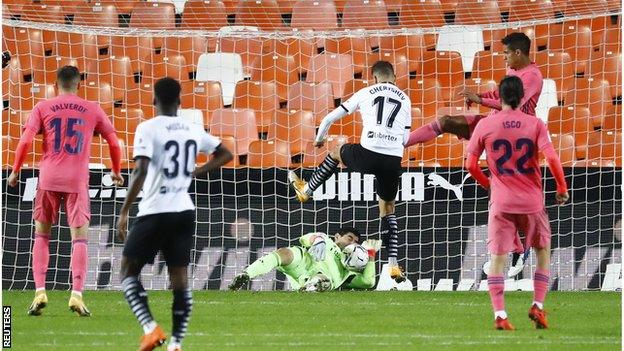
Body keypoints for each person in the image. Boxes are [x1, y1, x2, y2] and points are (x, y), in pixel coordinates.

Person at [407, 32, 543, 276]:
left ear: (518, 53)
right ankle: (402, 143)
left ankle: (517, 253)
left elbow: (512, 105)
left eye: (506, 54)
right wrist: (478, 96)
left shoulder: (532, 76)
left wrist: (479, 99)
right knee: (447, 120)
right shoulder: (514, 73)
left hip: (514, 136)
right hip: (494, 126)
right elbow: (501, 96)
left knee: (505, 200)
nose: (504, 59)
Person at [116, 77, 233, 351]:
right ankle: (177, 343)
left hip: (156, 210)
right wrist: (197, 172)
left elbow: (141, 170)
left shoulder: (147, 128)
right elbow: (226, 153)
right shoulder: (192, 129)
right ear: (180, 102)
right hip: (184, 210)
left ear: (154, 100)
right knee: (179, 280)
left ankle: (150, 328)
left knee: (127, 272)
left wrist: (124, 210)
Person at [7, 65, 123, 317]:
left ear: (56, 84)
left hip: (48, 179)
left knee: (42, 236)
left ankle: (40, 290)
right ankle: (77, 295)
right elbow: (114, 141)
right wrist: (115, 170)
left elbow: (25, 140)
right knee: (79, 239)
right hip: (77, 181)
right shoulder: (92, 108)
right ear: (79, 84)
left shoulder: (42, 107)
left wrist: (16, 170)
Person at [288, 61, 411, 283]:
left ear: (374, 78)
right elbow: (405, 139)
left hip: (368, 153)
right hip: (392, 158)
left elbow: (329, 118)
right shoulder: (405, 99)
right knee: (388, 209)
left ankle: (306, 189)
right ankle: (393, 266)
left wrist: (319, 139)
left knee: (336, 151)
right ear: (395, 76)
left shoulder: (365, 92)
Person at [465, 76, 569, 330]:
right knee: (543, 253)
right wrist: (561, 186)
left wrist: (490, 186)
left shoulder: (486, 125)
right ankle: (538, 306)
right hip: (532, 202)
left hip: (501, 203)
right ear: (522, 98)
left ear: (499, 97)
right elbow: (552, 158)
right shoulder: (534, 124)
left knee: (497, 259)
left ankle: (500, 315)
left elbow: (469, 165)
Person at [229, 227, 381, 292]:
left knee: (322, 280)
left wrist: (370, 254)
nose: (352, 243)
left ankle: (310, 287)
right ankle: (246, 275)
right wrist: (317, 240)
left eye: (355, 241)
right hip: (303, 262)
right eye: (349, 238)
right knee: (284, 253)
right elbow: (305, 239)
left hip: (322, 277)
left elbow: (368, 282)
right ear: (337, 236)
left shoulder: (349, 268)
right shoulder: (325, 240)